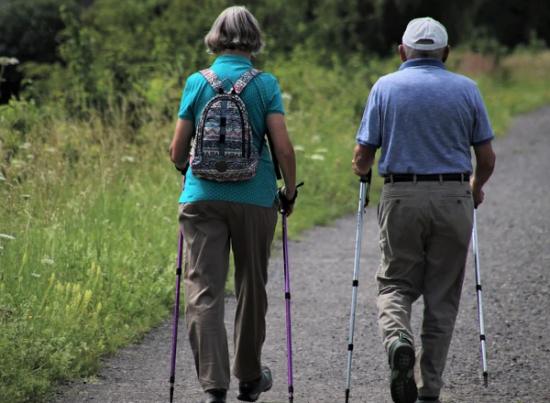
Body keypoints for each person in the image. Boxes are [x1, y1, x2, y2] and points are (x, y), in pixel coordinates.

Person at [352, 17, 496, 403]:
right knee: (442, 294)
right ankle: (428, 388)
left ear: (402, 51)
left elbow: (363, 155)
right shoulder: (467, 89)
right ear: (446, 53)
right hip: (454, 196)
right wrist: (475, 187)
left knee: (396, 283)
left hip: (401, 195)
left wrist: (361, 170)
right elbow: (486, 156)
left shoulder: (385, 86)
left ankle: (398, 337)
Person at [169, 6, 297, 403]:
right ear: (253, 38)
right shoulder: (265, 84)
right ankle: (248, 378)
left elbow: (177, 151)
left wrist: (187, 171)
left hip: (202, 198)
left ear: (216, 37)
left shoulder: (196, 81)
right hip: (255, 197)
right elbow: (283, 148)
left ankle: (214, 387)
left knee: (203, 290)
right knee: (251, 287)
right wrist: (288, 192)